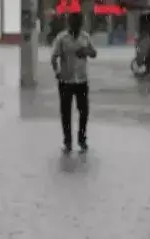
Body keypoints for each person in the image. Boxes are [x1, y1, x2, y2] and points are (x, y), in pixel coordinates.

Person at [51, 13, 97, 153]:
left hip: (82, 80)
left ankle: (82, 140)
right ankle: (68, 142)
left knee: (84, 112)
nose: (76, 24)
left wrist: (87, 51)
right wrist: (57, 72)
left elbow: (94, 53)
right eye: (73, 21)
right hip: (66, 81)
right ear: (69, 23)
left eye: (78, 22)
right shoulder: (61, 38)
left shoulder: (85, 37)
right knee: (66, 113)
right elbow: (54, 57)